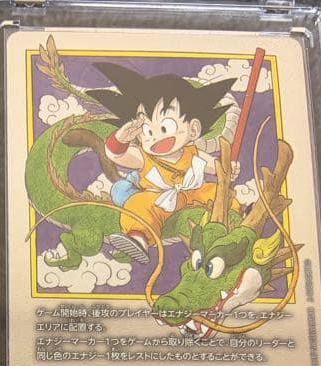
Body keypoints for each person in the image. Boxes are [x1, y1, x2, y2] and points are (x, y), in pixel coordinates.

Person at [88, 63, 240, 262]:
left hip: (192, 194)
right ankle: (138, 238)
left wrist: (228, 170)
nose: (156, 137)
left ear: (193, 130)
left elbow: (217, 168)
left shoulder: (193, 153)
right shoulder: (144, 156)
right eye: (148, 131)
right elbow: (116, 155)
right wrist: (120, 139)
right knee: (138, 204)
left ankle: (238, 216)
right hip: (157, 199)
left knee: (217, 192)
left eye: (165, 128)